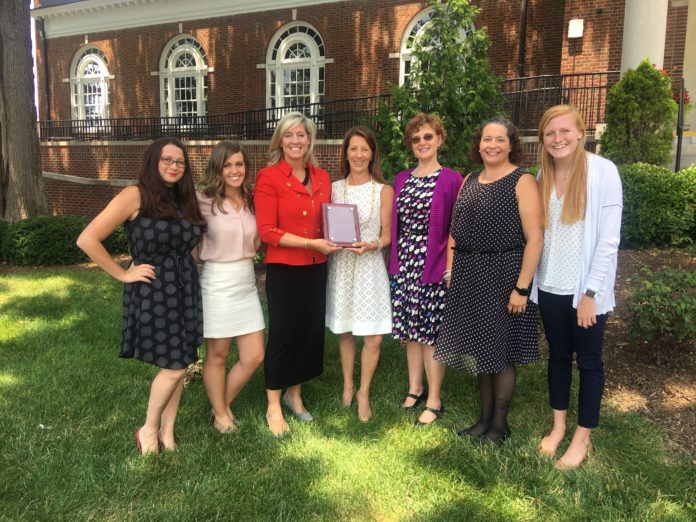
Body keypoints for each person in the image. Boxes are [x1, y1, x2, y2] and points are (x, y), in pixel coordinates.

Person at [77, 137, 205, 454]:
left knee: (181, 359)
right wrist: (123, 272)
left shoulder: (184, 199)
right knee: (175, 365)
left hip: (185, 285)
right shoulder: (135, 195)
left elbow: (190, 241)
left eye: (180, 162)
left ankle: (168, 432)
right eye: (167, 160)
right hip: (155, 288)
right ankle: (148, 429)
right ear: (153, 161)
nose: (174, 166)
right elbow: (88, 238)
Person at [434, 116, 543, 444]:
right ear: (478, 144)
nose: (492, 145)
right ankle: (482, 420)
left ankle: (499, 425)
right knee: (482, 351)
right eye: (487, 139)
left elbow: (535, 238)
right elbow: (455, 231)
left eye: (500, 140)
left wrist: (522, 287)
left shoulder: (521, 180)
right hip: (470, 274)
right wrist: (452, 270)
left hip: (504, 273)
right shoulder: (470, 178)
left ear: (512, 145)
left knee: (502, 353)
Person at [531, 105, 622, 470]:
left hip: (584, 291)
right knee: (557, 356)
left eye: (565, 131)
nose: (558, 139)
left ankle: (582, 438)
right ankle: (558, 427)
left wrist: (590, 295)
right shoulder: (542, 174)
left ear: (581, 133)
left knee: (588, 362)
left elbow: (609, 240)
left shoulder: (603, 172)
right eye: (550, 133)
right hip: (550, 284)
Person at [254, 111, 342, 436]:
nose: (295, 141)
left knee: (308, 333)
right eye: (289, 135)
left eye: (301, 135)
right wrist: (311, 243)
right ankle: (273, 405)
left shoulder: (322, 178)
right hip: (285, 269)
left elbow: (330, 221)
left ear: (309, 140)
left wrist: (335, 239)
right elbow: (266, 231)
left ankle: (295, 396)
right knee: (283, 333)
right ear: (280, 140)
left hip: (317, 269)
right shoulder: (269, 177)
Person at [389, 113, 463, 426]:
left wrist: (450, 267)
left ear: (439, 140)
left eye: (428, 137)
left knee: (431, 333)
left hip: (433, 264)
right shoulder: (401, 179)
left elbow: (456, 228)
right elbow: (396, 225)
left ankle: (434, 398)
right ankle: (415, 388)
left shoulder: (451, 179)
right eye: (417, 138)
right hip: (404, 262)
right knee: (410, 331)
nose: (422, 143)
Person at [326, 126, 394, 422]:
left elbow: (388, 236)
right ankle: (347, 384)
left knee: (374, 338)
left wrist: (372, 245)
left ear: (372, 154)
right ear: (345, 153)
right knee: (346, 331)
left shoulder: (383, 190)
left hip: (369, 265)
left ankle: (363, 392)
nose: (358, 154)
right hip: (342, 264)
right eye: (353, 149)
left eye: (364, 149)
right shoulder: (334, 187)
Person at [197, 141, 265, 434]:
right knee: (218, 354)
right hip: (217, 282)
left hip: (246, 281)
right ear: (217, 169)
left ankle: (219, 406)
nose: (234, 170)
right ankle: (223, 416)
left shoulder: (252, 199)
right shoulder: (202, 200)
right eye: (228, 165)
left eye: (239, 164)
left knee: (254, 356)